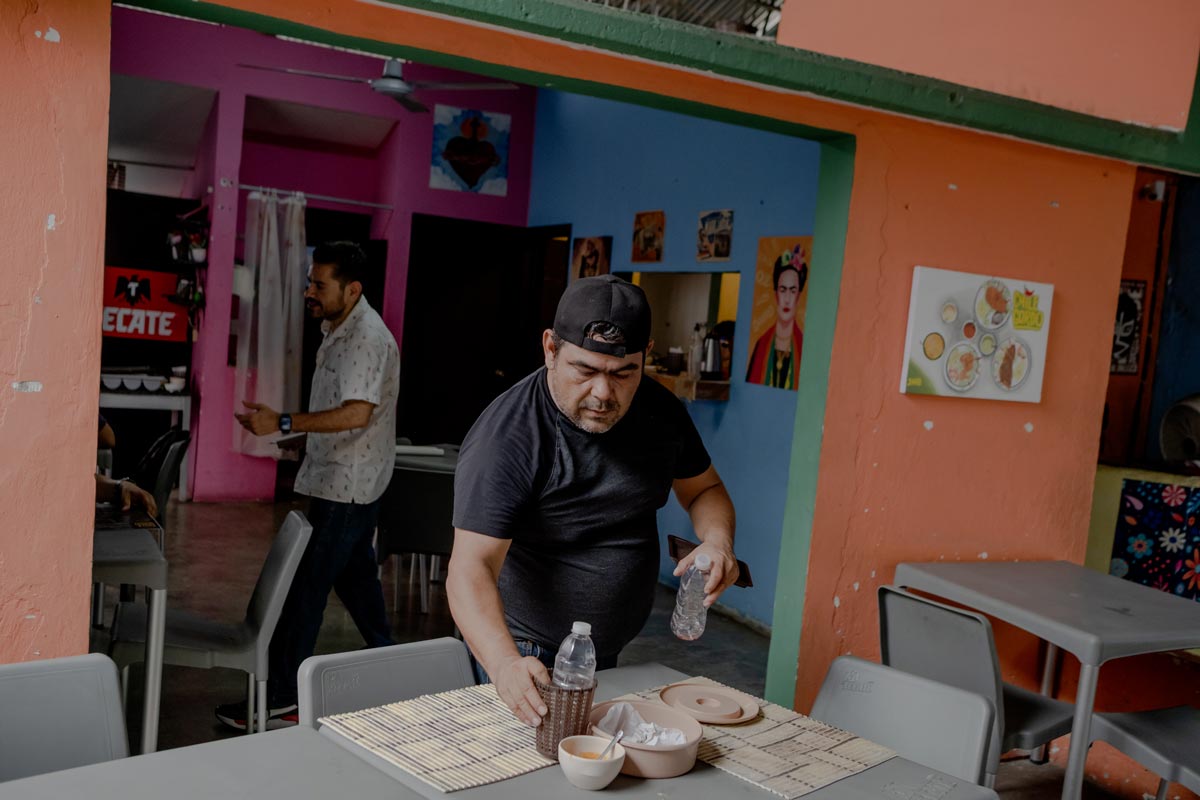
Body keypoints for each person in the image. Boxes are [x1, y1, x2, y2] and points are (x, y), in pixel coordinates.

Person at [447, 274, 739, 727]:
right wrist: (504, 664)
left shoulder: (661, 413)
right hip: (526, 653)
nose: (604, 393)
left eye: (624, 374)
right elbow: (469, 570)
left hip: (607, 650)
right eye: (585, 371)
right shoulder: (508, 438)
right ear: (550, 349)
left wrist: (718, 542)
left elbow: (704, 489)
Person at [224, 241, 400, 730]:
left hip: (347, 487)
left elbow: (358, 412)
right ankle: (395, 667)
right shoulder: (339, 328)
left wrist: (283, 421)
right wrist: (300, 436)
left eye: (319, 284)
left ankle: (282, 699)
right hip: (339, 479)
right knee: (357, 582)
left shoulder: (366, 337)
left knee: (304, 592)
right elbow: (342, 411)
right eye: (311, 281)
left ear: (353, 289)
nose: (309, 291)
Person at [746, 245, 807, 389]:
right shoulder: (761, 344)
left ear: (798, 296)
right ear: (776, 295)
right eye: (782, 289)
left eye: (793, 291)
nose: (787, 299)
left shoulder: (804, 348)